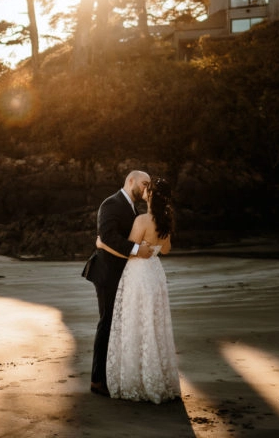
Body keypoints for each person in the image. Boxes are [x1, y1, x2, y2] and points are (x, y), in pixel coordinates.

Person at [99, 177, 181, 403]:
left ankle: (138, 380)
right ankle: (158, 378)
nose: (145, 189)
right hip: (155, 274)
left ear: (152, 195)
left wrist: (101, 244)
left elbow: (129, 250)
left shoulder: (142, 220)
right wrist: (151, 246)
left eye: (148, 188)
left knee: (136, 323)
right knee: (154, 324)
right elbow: (165, 250)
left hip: (139, 275)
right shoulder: (165, 222)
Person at [82, 170, 153, 397]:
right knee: (107, 322)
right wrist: (136, 251)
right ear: (130, 180)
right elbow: (107, 236)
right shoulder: (111, 203)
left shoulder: (134, 209)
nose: (146, 188)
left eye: (149, 185)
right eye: (144, 184)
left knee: (118, 324)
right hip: (106, 273)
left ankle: (114, 374)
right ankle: (97, 380)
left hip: (122, 273)